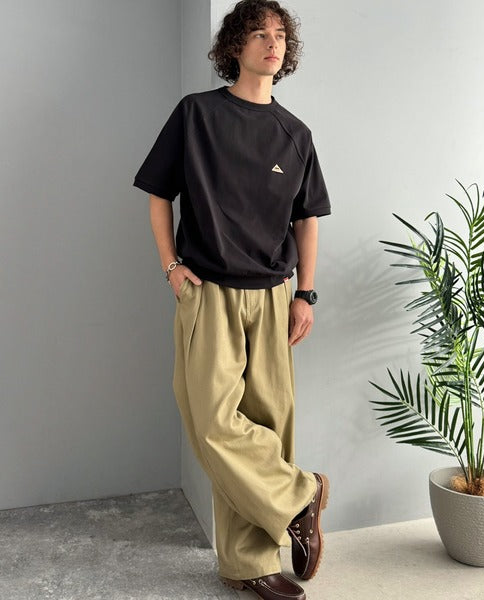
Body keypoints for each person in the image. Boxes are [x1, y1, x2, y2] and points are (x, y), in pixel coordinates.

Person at [133, 1, 331, 598]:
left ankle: (250, 565)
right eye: (258, 33)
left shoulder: (295, 134)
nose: (272, 43)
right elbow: (158, 193)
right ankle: (300, 495)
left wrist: (305, 294)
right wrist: (170, 266)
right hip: (208, 291)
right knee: (213, 419)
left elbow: (307, 220)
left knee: (268, 420)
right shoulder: (197, 114)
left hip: (272, 296)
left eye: (280, 35)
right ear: (235, 45)